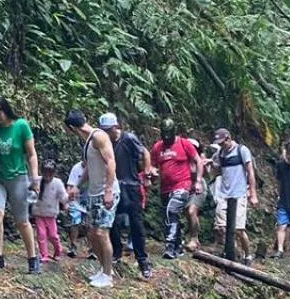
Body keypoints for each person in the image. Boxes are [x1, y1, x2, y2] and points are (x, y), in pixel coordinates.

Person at [0, 94, 40, 274]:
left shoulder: (21, 125)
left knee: (22, 221)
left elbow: (31, 154)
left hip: (18, 177)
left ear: (6, 110)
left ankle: (32, 258)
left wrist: (34, 178)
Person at [65, 109, 117, 288]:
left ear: (71, 128)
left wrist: (108, 190)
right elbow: (88, 168)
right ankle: (103, 269)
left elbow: (111, 162)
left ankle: (108, 275)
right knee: (93, 234)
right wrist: (77, 186)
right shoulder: (89, 141)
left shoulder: (99, 137)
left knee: (102, 233)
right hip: (94, 193)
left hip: (105, 192)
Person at [100, 112, 153, 281]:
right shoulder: (105, 143)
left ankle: (143, 261)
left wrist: (146, 172)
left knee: (136, 223)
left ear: (116, 127)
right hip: (115, 186)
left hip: (131, 186)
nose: (107, 133)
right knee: (112, 220)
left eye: (109, 129)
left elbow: (144, 152)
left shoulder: (128, 138)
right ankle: (117, 252)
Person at [150, 119, 201, 259]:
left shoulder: (184, 143)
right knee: (169, 216)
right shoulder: (157, 147)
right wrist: (152, 172)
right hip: (165, 188)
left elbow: (198, 160)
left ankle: (170, 246)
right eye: (164, 134)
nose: (166, 137)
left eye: (169, 134)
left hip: (182, 185)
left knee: (171, 211)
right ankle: (178, 246)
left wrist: (198, 182)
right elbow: (153, 165)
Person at [209, 128, 257, 262]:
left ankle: (248, 254)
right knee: (221, 227)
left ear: (229, 138)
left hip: (239, 194)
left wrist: (252, 194)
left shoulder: (242, 150)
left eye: (222, 142)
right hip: (224, 195)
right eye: (219, 143)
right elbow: (217, 169)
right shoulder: (220, 153)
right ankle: (232, 254)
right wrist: (209, 164)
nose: (221, 145)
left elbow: (250, 172)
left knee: (239, 229)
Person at [31, 162, 67, 263]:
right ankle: (44, 255)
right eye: (45, 173)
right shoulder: (37, 181)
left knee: (53, 235)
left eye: (50, 174)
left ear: (54, 173)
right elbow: (28, 189)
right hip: (39, 213)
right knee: (41, 235)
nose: (47, 176)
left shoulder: (57, 183)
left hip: (51, 214)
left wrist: (68, 200)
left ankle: (58, 251)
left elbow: (63, 197)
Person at [65, 158, 86, 256]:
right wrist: (68, 200)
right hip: (76, 199)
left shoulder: (95, 167)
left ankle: (92, 250)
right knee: (74, 222)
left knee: (91, 225)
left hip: (90, 199)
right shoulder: (76, 168)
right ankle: (73, 246)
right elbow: (70, 185)